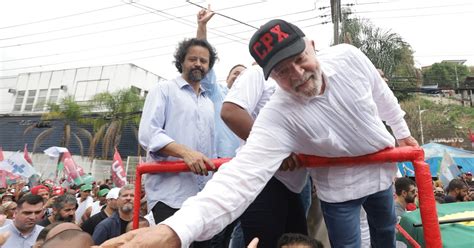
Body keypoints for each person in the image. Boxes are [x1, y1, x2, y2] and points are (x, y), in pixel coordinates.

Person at [103, 19, 418, 248]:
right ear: (267, 76)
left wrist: (402, 134)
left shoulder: (349, 57)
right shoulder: (277, 115)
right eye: (281, 70)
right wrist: (175, 231)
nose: (297, 74)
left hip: (380, 169)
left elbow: (382, 94)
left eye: (299, 59)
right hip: (337, 189)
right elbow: (237, 179)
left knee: (385, 233)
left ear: (312, 46)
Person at [137, 9, 218, 247]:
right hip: (170, 196)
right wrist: (185, 152)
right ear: (181, 61)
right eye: (193, 58)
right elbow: (148, 133)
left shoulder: (208, 101)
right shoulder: (164, 90)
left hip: (202, 197)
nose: (198, 64)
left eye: (204, 61)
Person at [221, 64, 309, 248]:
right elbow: (230, 111)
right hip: (263, 179)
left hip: (295, 183)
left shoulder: (300, 81)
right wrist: (274, 149)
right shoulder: (257, 74)